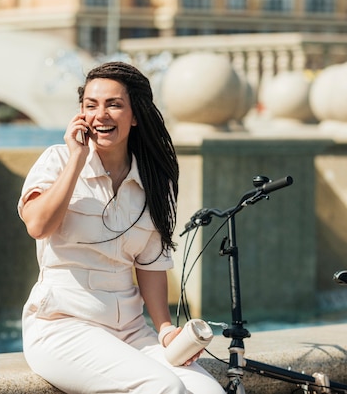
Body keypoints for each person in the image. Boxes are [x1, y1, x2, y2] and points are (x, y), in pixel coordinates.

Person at [18, 61, 225, 394]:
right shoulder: (57, 160)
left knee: (209, 392)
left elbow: (151, 265)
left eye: (114, 104)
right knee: (163, 387)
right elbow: (38, 225)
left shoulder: (152, 181)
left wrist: (165, 330)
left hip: (129, 332)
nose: (101, 114)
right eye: (91, 105)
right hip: (62, 327)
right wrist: (77, 159)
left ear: (135, 115)